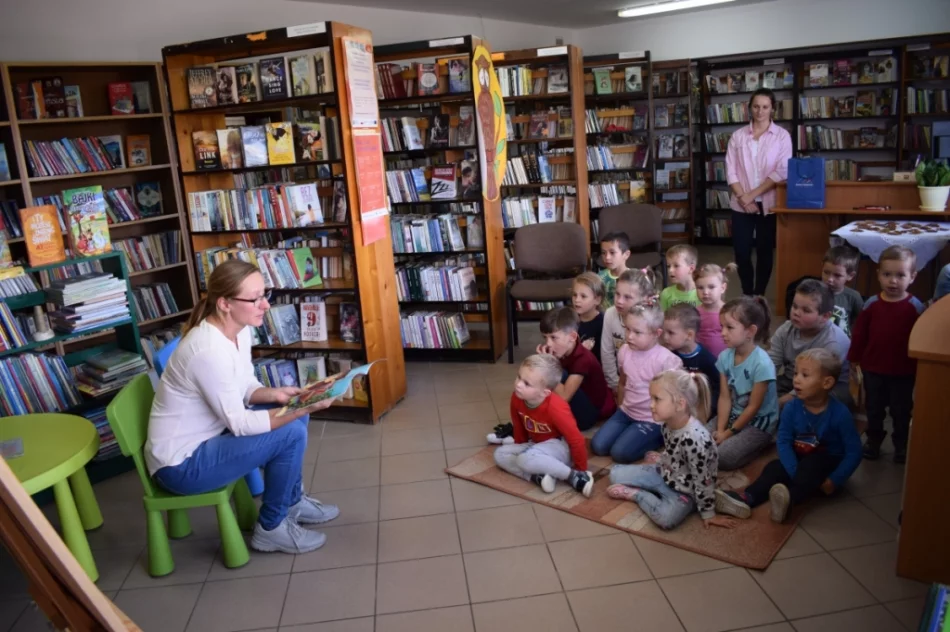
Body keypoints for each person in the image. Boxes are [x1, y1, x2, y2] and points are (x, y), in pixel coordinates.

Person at [145, 260, 340, 555]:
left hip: (210, 439)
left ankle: (291, 500)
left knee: (294, 422)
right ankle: (271, 528)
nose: (265, 305)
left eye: (265, 294)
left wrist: (278, 395)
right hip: (181, 465)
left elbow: (244, 385)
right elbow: (240, 424)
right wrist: (303, 407)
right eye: (255, 298)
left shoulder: (239, 329)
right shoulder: (208, 351)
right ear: (224, 303)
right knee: (292, 431)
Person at [715, 349, 862, 523]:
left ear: (827, 382)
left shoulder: (840, 413)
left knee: (812, 465)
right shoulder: (791, 408)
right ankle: (747, 498)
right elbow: (783, 441)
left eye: (805, 375)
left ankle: (788, 499)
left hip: (826, 466)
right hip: (800, 459)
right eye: (796, 373)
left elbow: (854, 452)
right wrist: (793, 470)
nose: (796, 379)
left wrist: (834, 480)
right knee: (773, 468)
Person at [607, 370, 735, 530]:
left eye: (657, 399)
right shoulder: (668, 423)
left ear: (680, 404)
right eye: (651, 398)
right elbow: (673, 448)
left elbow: (704, 479)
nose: (650, 405)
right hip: (666, 471)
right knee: (614, 474)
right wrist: (664, 460)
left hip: (686, 490)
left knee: (666, 519)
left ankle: (637, 494)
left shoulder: (695, 439)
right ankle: (656, 465)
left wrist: (709, 513)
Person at [848, 246, 925, 464]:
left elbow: (920, 338)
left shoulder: (914, 307)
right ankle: (873, 441)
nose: (893, 281)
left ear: (912, 277)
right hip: (874, 369)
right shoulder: (871, 304)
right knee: (874, 409)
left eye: (900, 275)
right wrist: (854, 359)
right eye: (887, 274)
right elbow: (860, 334)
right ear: (878, 275)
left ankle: (901, 445)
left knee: (901, 412)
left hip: (903, 371)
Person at [591, 303, 683, 463]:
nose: (629, 336)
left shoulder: (666, 360)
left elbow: (674, 398)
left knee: (620, 453)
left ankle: (660, 436)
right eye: (627, 329)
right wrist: (620, 407)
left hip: (651, 419)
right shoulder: (624, 351)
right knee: (598, 446)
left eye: (637, 332)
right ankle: (632, 433)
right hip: (626, 412)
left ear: (656, 333)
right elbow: (623, 382)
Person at [493, 354, 594, 497]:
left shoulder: (556, 407)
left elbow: (576, 439)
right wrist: (519, 446)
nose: (518, 384)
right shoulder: (517, 397)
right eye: (518, 377)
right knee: (500, 454)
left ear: (545, 392)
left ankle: (573, 476)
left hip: (560, 446)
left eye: (526, 383)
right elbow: (519, 426)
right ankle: (538, 477)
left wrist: (581, 468)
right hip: (535, 445)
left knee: (524, 459)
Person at [725, 87, 793, 296]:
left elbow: (782, 170)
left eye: (765, 107)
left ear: (772, 108)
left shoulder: (782, 136)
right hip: (740, 203)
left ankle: (760, 294)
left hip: (770, 202)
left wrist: (751, 195)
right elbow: (731, 170)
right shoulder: (737, 137)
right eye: (756, 106)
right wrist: (743, 198)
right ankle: (747, 293)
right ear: (749, 108)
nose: (760, 111)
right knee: (742, 252)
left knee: (765, 252)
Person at [714, 296, 779, 470]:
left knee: (722, 457)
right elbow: (725, 396)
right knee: (698, 439)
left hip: (758, 423)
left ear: (750, 331)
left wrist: (727, 434)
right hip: (733, 415)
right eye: (722, 327)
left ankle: (765, 442)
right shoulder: (724, 357)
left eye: (729, 327)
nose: (723, 333)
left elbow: (753, 408)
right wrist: (720, 430)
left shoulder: (762, 364)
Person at [769, 279, 851, 409]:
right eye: (794, 306)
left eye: (806, 310)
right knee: (752, 392)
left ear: (825, 316)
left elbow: (816, 383)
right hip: (792, 380)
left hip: (823, 389)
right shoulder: (786, 329)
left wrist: (778, 403)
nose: (796, 313)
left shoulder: (832, 342)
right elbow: (771, 365)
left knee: (793, 410)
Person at [536, 307, 615, 431]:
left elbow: (564, 397)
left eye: (553, 338)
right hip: (575, 402)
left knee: (553, 370)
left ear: (572, 336)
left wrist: (548, 365)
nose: (548, 344)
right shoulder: (562, 351)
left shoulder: (583, 359)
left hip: (587, 416)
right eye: (545, 338)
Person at [600, 268, 657, 392]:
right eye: (617, 294)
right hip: (621, 382)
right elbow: (607, 354)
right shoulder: (610, 314)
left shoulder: (652, 321)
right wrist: (615, 386)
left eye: (627, 297)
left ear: (646, 299)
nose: (619, 301)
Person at [661, 304, 720, 414]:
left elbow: (717, 390)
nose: (665, 337)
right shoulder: (667, 355)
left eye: (670, 333)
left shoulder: (707, 360)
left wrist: (706, 410)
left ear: (689, 335)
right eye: (664, 332)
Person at [693, 262, 735, 359]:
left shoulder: (730, 312)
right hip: (701, 361)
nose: (705, 292)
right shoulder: (695, 313)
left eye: (711, 287)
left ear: (722, 288)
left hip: (725, 361)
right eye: (700, 288)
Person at [821, 245, 863, 337]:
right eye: (826, 272)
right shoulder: (814, 292)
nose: (830, 279)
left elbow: (861, 324)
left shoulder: (854, 297)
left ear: (850, 276)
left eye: (837, 275)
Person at [572, 272, 605, 364]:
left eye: (583, 296)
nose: (577, 300)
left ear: (597, 300)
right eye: (574, 295)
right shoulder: (570, 319)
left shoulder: (603, 323)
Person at [597, 231, 632, 310]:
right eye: (603, 253)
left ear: (626, 254)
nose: (607, 257)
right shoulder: (599, 277)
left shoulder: (634, 278)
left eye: (612, 252)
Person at [659, 244, 699, 311]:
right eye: (668, 266)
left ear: (691, 268)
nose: (670, 270)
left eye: (676, 266)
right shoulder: (666, 294)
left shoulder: (702, 294)